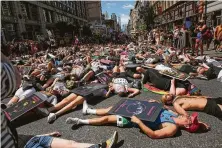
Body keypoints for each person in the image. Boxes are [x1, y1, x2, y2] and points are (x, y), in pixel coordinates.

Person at [1, 52, 119, 148]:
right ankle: (51, 111)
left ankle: (56, 114)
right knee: (65, 101)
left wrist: (108, 89)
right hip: (83, 89)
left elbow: (104, 95)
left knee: (71, 105)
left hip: (89, 94)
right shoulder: (99, 76)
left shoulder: (104, 85)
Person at [66, 100, 209, 139]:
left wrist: (139, 122)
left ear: (187, 126)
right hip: (141, 109)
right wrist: (158, 104)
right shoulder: (176, 115)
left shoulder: (172, 128)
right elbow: (168, 106)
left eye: (191, 119)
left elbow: (153, 135)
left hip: (135, 120)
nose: (189, 116)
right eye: (191, 116)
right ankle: (88, 110)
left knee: (108, 118)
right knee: (113, 107)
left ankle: (80, 121)